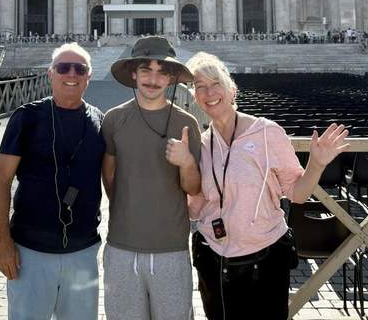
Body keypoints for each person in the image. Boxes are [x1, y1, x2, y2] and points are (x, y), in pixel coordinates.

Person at [186, 52, 348, 320]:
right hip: (214, 260)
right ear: (195, 97)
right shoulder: (201, 144)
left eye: (216, 84)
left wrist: (317, 165)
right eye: (200, 87)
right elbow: (196, 208)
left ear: (232, 89)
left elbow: (297, 193)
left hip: (265, 258)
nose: (209, 92)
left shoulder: (267, 132)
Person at [0, 43, 105, 320]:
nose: (72, 74)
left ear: (89, 75)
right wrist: (3, 244)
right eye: (63, 67)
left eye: (80, 68)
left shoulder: (100, 121)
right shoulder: (26, 117)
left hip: (83, 251)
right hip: (30, 251)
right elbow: (1, 181)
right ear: (50, 74)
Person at [101, 36, 201, 320]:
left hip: (171, 248)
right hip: (121, 247)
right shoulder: (113, 120)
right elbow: (109, 179)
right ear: (133, 73)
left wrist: (187, 162)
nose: (153, 79)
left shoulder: (186, 123)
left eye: (162, 72)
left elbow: (193, 188)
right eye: (146, 70)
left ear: (171, 79)